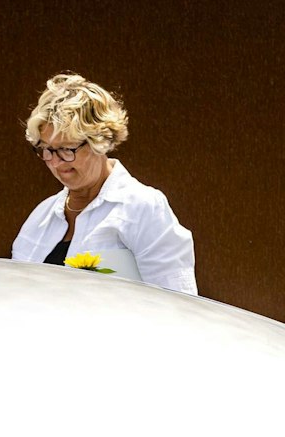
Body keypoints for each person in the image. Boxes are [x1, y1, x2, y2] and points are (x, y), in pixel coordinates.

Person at [11, 74, 197, 294]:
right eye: (46, 149)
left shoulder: (142, 207)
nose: (55, 162)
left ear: (100, 142)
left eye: (67, 149)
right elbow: (17, 297)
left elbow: (179, 302)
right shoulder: (40, 217)